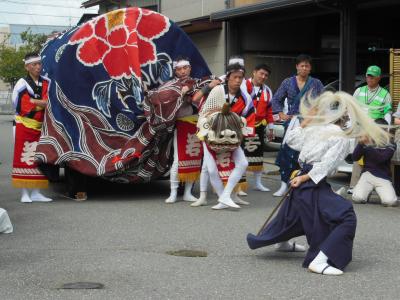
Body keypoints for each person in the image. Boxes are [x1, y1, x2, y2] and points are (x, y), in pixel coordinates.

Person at [247, 91, 390, 276]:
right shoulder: (340, 135)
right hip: (310, 181)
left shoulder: (319, 127)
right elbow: (327, 165)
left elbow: (290, 140)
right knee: (345, 216)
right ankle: (320, 260)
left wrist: (304, 123)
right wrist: (305, 178)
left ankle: (281, 243)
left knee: (292, 215)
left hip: (303, 178)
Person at [194, 63, 255, 209]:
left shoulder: (245, 97)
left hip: (231, 136)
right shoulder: (218, 90)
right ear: (228, 78)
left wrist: (241, 129)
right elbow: (205, 111)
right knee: (211, 169)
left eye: (240, 77)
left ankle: (225, 196)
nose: (238, 80)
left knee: (243, 163)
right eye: (235, 77)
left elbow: (249, 116)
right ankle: (223, 197)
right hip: (211, 134)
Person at [165, 56, 219, 203]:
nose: (182, 71)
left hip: (196, 124)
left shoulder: (197, 83)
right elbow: (190, 99)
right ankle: (173, 192)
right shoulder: (171, 85)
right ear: (175, 71)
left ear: (190, 68)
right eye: (179, 69)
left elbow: (201, 98)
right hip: (180, 125)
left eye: (185, 68)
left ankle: (188, 192)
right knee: (178, 160)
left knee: (194, 159)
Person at [272, 54, 324, 197]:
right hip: (293, 121)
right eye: (302, 65)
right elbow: (276, 99)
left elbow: (323, 102)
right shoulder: (288, 82)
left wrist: (316, 116)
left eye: (307, 66)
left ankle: (302, 185)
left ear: (310, 68)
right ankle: (284, 184)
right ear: (297, 67)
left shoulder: (316, 83)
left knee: (306, 154)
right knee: (287, 152)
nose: (304, 68)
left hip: (310, 123)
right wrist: (281, 114)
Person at [11, 52, 52, 203]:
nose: (37, 67)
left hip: (42, 126)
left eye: (39, 64)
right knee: (24, 158)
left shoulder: (47, 82)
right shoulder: (21, 83)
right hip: (24, 125)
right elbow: (21, 104)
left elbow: (50, 101)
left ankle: (36, 192)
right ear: (27, 67)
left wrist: (36, 101)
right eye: (34, 64)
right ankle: (24, 193)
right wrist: (40, 102)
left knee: (39, 159)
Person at [348, 65, 393, 194]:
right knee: (358, 155)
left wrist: (386, 130)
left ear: (379, 78)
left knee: (375, 156)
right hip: (360, 128)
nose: (369, 78)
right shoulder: (359, 91)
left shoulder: (385, 94)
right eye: (368, 76)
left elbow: (387, 113)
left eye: (372, 76)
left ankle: (378, 185)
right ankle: (354, 185)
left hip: (376, 129)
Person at [352, 119, 397, 207]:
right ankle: (366, 192)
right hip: (367, 174)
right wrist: (360, 144)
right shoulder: (366, 140)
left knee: (390, 201)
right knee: (358, 198)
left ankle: (377, 191)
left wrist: (368, 145)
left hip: (383, 176)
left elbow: (382, 158)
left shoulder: (391, 143)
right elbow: (355, 158)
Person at [244, 63, 274, 192]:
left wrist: (271, 128)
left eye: (266, 75)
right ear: (254, 72)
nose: (263, 77)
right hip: (244, 125)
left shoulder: (267, 90)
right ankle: (240, 184)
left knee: (258, 155)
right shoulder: (243, 86)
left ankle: (257, 183)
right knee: (242, 156)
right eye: (261, 73)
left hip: (259, 126)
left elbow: (269, 110)